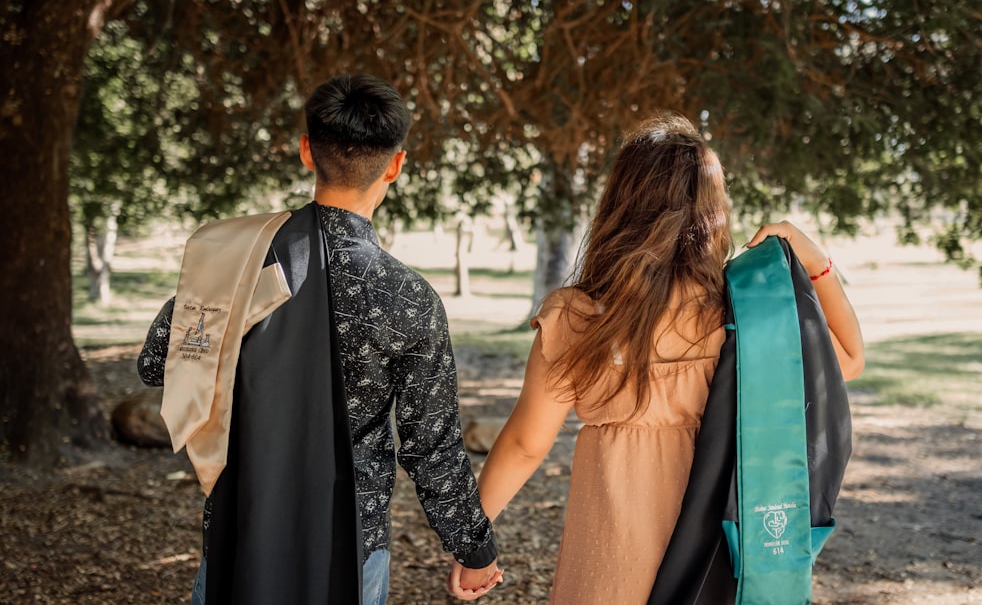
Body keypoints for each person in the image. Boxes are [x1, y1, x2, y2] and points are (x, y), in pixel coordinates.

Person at [458, 114, 865, 604]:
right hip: (713, 559)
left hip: (608, 559)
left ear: (618, 206)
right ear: (712, 212)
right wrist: (813, 257)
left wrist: (470, 541)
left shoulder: (576, 316)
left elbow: (526, 443)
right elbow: (847, 359)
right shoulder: (744, 314)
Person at [138, 74, 501, 604]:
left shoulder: (239, 261)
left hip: (241, 529)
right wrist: (474, 550)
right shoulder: (408, 298)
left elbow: (156, 362)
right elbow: (431, 447)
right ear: (396, 165)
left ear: (307, 152)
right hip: (352, 546)